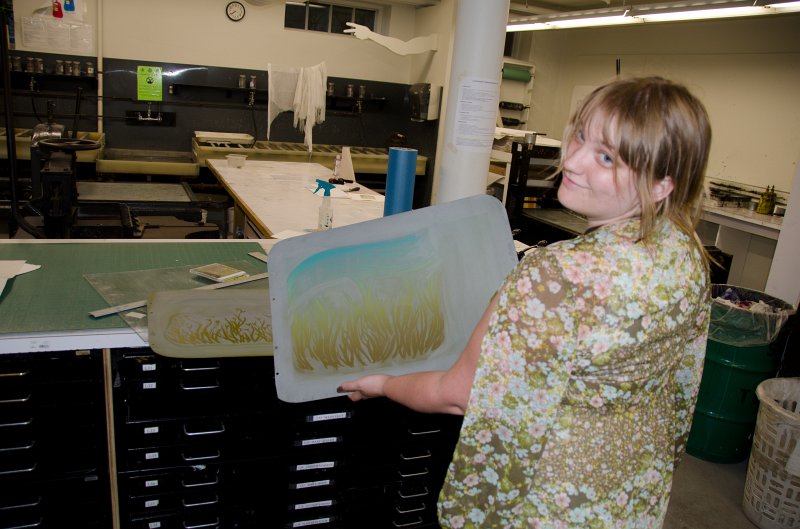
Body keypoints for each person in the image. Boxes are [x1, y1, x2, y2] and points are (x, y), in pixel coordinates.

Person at [338, 76, 712, 529]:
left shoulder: (557, 276)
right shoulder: (686, 249)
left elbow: (460, 394)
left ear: (659, 186)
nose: (571, 161)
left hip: (550, 497)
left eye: (606, 157)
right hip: (632, 486)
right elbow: (685, 378)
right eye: (580, 134)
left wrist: (384, 384)